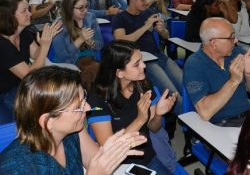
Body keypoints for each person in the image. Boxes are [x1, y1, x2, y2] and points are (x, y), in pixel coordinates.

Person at [0, 66, 147, 175]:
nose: (88, 108)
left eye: (85, 99)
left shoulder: (72, 132)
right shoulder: (15, 169)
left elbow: (94, 161)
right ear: (47, 121)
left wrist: (110, 151)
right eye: (78, 106)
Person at [88, 40, 177, 174]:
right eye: (136, 64)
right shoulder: (97, 99)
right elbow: (110, 148)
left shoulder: (143, 84)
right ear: (119, 73)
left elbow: (154, 127)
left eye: (141, 60)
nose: (143, 66)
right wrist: (140, 119)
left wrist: (158, 114)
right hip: (117, 166)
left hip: (148, 158)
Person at [112, 0, 183, 115]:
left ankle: (196, 114)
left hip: (159, 55)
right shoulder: (120, 18)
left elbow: (166, 36)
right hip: (143, 62)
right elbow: (120, 40)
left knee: (185, 83)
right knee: (172, 92)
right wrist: (146, 26)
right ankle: (188, 122)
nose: (146, 2)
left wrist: (162, 31)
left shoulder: (148, 13)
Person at [184, 17, 250, 126]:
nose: (236, 41)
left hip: (247, 119)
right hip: (221, 125)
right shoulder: (194, 64)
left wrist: (249, 74)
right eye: (231, 37)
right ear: (214, 43)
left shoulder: (236, 52)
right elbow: (205, 112)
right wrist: (233, 81)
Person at [0, 0, 62, 123]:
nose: (29, 14)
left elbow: (36, 55)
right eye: (24, 11)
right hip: (5, 92)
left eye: (28, 9)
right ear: (10, 16)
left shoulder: (24, 32)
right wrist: (44, 46)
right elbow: (29, 75)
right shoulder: (2, 44)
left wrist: (46, 41)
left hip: (21, 86)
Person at [52, 0, 104, 89]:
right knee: (93, 73)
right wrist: (80, 39)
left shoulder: (90, 18)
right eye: (81, 8)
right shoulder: (59, 24)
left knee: (106, 70)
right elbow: (62, 56)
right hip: (69, 63)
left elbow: (100, 45)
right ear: (69, 8)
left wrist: (92, 43)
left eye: (86, 6)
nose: (85, 11)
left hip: (90, 60)